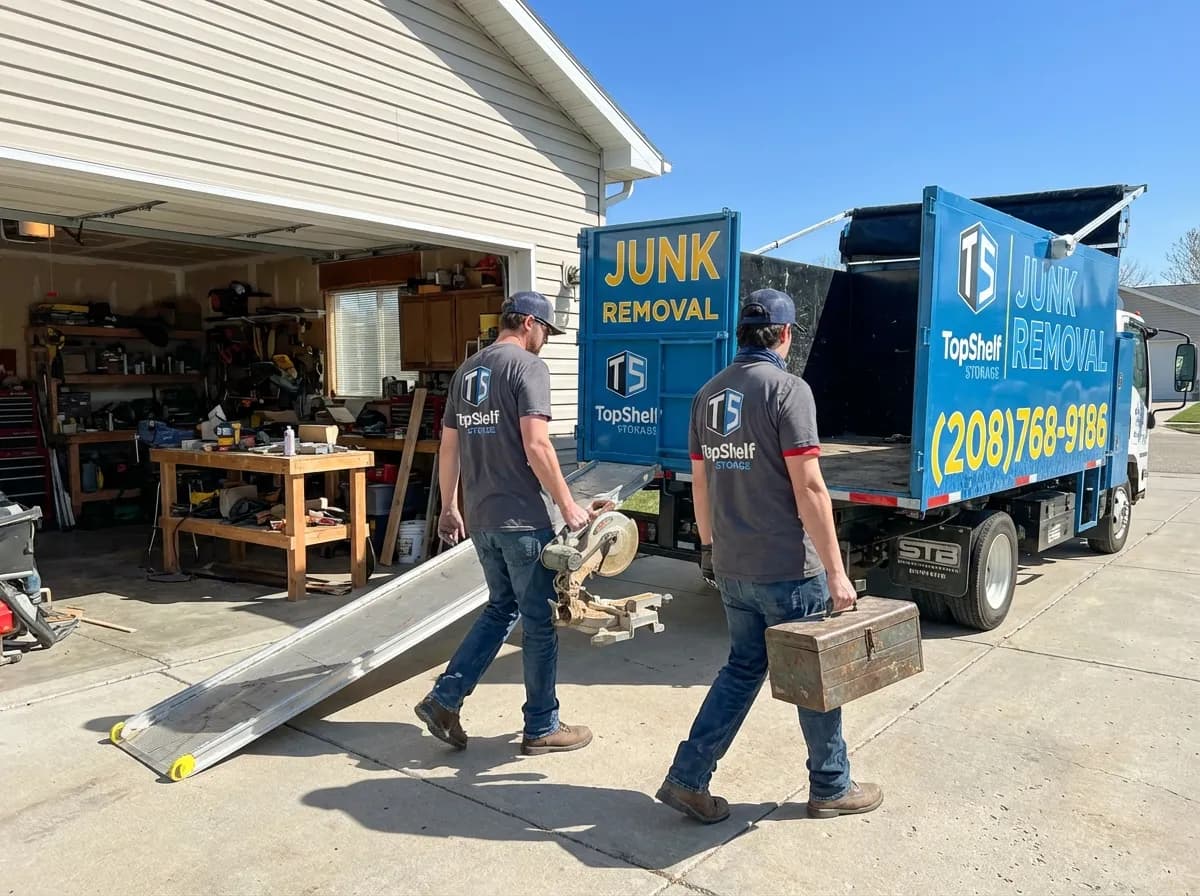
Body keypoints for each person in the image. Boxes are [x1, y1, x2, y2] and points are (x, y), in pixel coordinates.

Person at [655, 288, 883, 823]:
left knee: (742, 668)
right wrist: (836, 571)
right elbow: (810, 488)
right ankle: (831, 785)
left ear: (741, 334)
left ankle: (688, 776)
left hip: (733, 564)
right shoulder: (789, 390)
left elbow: (701, 483)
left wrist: (709, 548)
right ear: (784, 335)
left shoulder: (707, 395)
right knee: (812, 674)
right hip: (787, 568)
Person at [414, 291, 596, 756]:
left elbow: (449, 446)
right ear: (530, 324)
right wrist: (568, 504)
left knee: (501, 608)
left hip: (482, 517)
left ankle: (446, 697)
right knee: (538, 622)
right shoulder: (527, 368)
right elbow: (537, 445)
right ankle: (542, 726)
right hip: (522, 520)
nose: (546, 343)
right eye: (547, 333)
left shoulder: (467, 370)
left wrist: (450, 507)